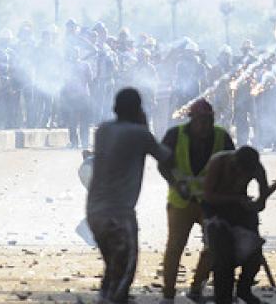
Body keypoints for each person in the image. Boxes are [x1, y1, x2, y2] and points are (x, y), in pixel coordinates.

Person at [86, 88, 171, 304]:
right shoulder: (140, 134)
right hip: (119, 214)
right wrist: (145, 125)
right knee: (123, 273)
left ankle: (106, 297)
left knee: (113, 268)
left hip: (95, 211)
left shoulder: (103, 130)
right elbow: (165, 156)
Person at [158, 98, 235, 303]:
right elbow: (162, 164)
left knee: (213, 246)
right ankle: (168, 293)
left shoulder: (222, 137)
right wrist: (175, 183)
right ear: (191, 120)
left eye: (208, 121)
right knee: (175, 246)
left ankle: (196, 286)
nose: (205, 126)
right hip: (180, 201)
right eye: (200, 121)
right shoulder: (175, 135)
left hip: (210, 203)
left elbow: (233, 166)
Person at [203, 146, 269, 304]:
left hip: (242, 211)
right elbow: (208, 196)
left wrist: (256, 204)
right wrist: (236, 199)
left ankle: (244, 289)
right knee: (223, 258)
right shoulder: (218, 162)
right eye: (239, 169)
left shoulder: (256, 167)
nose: (241, 174)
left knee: (254, 253)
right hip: (216, 212)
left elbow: (263, 195)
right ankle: (223, 298)